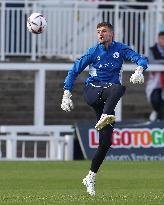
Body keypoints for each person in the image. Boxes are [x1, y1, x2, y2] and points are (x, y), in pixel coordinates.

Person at [61, 22, 148, 196]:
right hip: (92, 91)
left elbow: (141, 58)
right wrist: (66, 93)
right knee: (118, 88)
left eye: (104, 31)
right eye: (98, 32)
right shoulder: (93, 51)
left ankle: (90, 177)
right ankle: (106, 114)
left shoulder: (120, 49)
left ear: (112, 34)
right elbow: (74, 71)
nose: (100, 34)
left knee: (106, 143)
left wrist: (140, 69)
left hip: (108, 96)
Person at [145, 31, 164, 121]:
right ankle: (157, 113)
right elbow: (152, 62)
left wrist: (159, 61)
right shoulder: (152, 49)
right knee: (155, 99)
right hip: (155, 80)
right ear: (158, 39)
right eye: (162, 38)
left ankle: (159, 118)